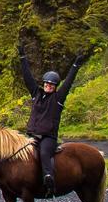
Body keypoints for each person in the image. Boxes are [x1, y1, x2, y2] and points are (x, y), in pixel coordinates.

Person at [18, 46, 87, 193]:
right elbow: (27, 77)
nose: (48, 86)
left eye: (51, 85)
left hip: (48, 137)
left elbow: (68, 82)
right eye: (46, 83)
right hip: (31, 135)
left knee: (44, 153)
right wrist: (23, 57)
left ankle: (49, 178)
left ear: (55, 87)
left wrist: (76, 65)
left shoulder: (58, 98)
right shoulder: (36, 94)